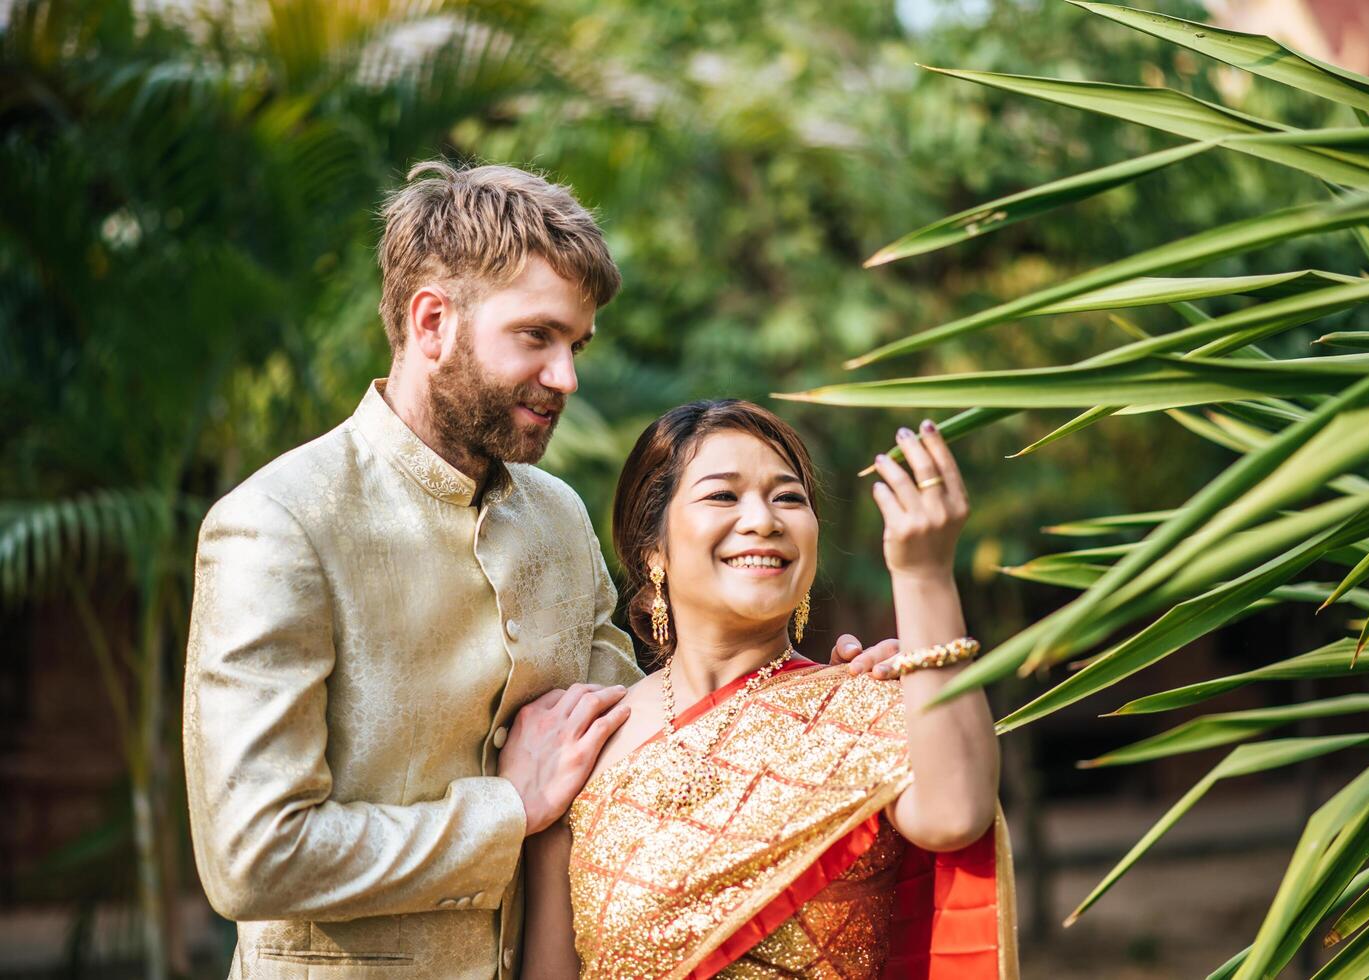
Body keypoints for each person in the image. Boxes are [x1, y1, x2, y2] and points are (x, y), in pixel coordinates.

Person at [181, 162, 896, 980]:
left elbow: (652, 742)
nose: (566, 378)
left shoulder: (554, 515)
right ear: (431, 322)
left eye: (575, 344)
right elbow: (251, 856)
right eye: (537, 337)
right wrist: (508, 811)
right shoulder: (280, 523)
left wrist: (821, 706)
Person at [521, 400, 1019, 979]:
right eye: (722, 496)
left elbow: (955, 815)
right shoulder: (584, 740)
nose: (763, 519)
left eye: (788, 497)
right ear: (652, 546)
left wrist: (923, 575)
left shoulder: (861, 704)